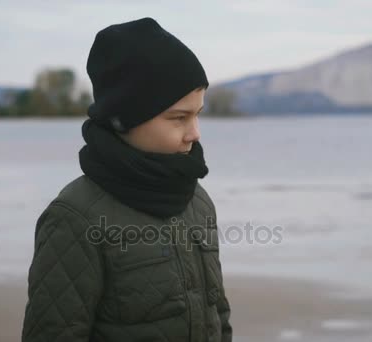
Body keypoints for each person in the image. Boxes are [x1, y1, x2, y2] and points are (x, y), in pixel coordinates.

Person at [21, 17, 232, 342]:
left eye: (197, 114)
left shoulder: (197, 198)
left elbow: (216, 312)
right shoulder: (74, 217)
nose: (195, 133)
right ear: (125, 118)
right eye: (178, 118)